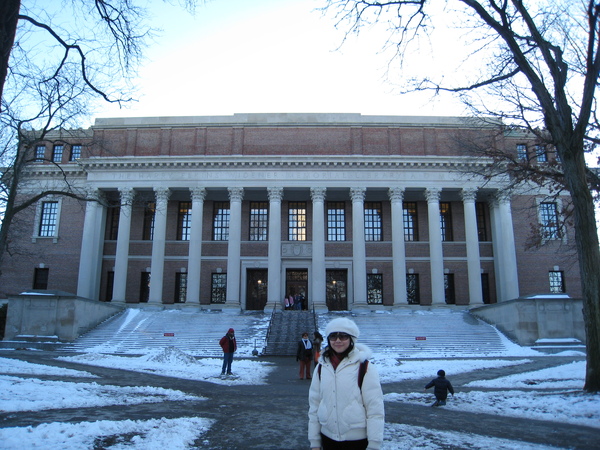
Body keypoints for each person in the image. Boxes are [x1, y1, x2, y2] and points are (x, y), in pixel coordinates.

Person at [308, 318, 384, 450]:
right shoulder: (322, 367)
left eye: (343, 336)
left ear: (352, 339)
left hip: (356, 440)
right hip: (327, 438)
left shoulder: (364, 367)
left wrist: (374, 444)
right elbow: (314, 404)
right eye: (333, 336)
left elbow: (375, 409)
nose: (337, 340)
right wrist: (314, 441)